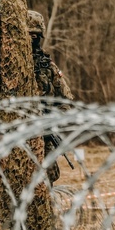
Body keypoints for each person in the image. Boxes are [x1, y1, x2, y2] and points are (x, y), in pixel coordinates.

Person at [27, 10, 74, 184]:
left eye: (36, 35)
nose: (32, 39)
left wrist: (51, 120)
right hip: (19, 137)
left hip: (44, 135)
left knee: (47, 179)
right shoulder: (12, 67)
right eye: (29, 34)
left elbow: (66, 100)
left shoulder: (48, 67)